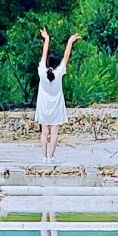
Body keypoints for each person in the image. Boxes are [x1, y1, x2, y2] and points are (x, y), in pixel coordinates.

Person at [36, 27, 79, 162]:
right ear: (57, 63)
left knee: (44, 132)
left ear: (48, 62)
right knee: (54, 132)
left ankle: (44, 157)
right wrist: (70, 42)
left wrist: (46, 39)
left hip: (43, 105)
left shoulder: (42, 71)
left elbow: (44, 54)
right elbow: (66, 56)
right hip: (56, 105)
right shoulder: (59, 72)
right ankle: (51, 156)